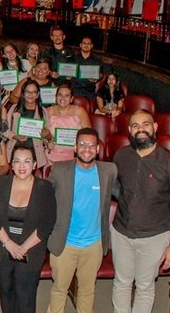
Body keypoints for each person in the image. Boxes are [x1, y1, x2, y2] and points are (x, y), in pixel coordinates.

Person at [111, 110, 170, 313]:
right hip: (122, 233)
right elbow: (117, 188)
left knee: (145, 287)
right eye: (135, 126)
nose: (140, 130)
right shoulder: (121, 156)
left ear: (155, 127)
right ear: (129, 130)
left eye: (145, 124)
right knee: (121, 282)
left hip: (154, 237)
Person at [46, 128, 117, 313]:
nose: (87, 149)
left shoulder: (108, 171)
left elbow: (122, 195)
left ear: (98, 149)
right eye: (83, 144)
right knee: (59, 290)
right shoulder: (60, 170)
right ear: (75, 147)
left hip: (93, 244)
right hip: (65, 243)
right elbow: (45, 200)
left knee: (87, 291)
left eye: (91, 145)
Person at [0, 145, 56, 313]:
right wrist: (9, 243)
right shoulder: (1, 183)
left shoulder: (44, 187)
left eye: (27, 161)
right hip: (3, 249)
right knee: (6, 293)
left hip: (30, 251)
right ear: (11, 165)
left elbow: (47, 223)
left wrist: (23, 248)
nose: (21, 166)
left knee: (26, 296)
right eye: (17, 161)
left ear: (34, 165)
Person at [4, 79, 49, 170]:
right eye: (27, 92)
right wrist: (14, 136)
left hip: (35, 152)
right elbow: (4, 129)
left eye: (34, 92)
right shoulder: (14, 108)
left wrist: (47, 136)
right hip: (14, 149)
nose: (30, 95)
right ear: (23, 93)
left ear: (37, 94)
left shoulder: (43, 111)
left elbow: (46, 137)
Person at [44, 83, 92, 164]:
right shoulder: (48, 111)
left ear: (71, 98)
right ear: (55, 97)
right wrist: (47, 143)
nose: (63, 98)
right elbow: (43, 135)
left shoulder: (80, 111)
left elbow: (89, 135)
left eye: (66, 95)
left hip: (74, 156)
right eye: (60, 95)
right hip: (51, 156)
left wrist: (79, 146)